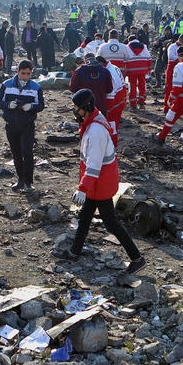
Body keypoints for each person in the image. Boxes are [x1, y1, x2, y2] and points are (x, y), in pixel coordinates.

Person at [58, 89, 146, 273]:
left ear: (86, 107)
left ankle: (137, 258)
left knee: (111, 223)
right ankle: (75, 252)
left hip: (100, 184)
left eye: (77, 108)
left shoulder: (95, 131)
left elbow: (94, 165)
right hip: (97, 183)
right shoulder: (94, 123)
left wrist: (83, 188)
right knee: (84, 218)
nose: (75, 111)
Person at [0, 61, 45, 192]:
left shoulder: (36, 87)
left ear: (31, 73)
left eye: (28, 74)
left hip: (27, 125)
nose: (25, 76)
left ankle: (28, 182)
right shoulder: (6, 85)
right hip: (11, 124)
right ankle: (20, 180)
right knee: (16, 153)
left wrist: (31, 107)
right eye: (23, 73)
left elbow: (41, 106)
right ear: (18, 72)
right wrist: (8, 105)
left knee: (27, 153)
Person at [99, 55, 128, 147]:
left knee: (111, 127)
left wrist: (106, 111)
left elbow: (110, 96)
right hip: (121, 100)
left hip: (114, 104)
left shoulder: (109, 75)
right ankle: (113, 148)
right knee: (115, 126)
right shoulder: (114, 67)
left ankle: (112, 148)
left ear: (101, 64)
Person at [163, 33, 183, 111]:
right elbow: (171, 57)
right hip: (172, 69)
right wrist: (181, 58)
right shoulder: (172, 46)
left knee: (181, 88)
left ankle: (177, 107)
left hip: (181, 69)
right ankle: (166, 107)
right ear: (181, 38)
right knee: (169, 88)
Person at [124, 39, 152, 109]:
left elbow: (125, 59)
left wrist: (125, 70)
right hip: (142, 70)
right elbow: (149, 58)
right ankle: (141, 101)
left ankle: (133, 104)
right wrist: (149, 69)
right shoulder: (144, 47)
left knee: (132, 86)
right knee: (142, 85)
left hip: (131, 70)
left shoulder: (127, 48)